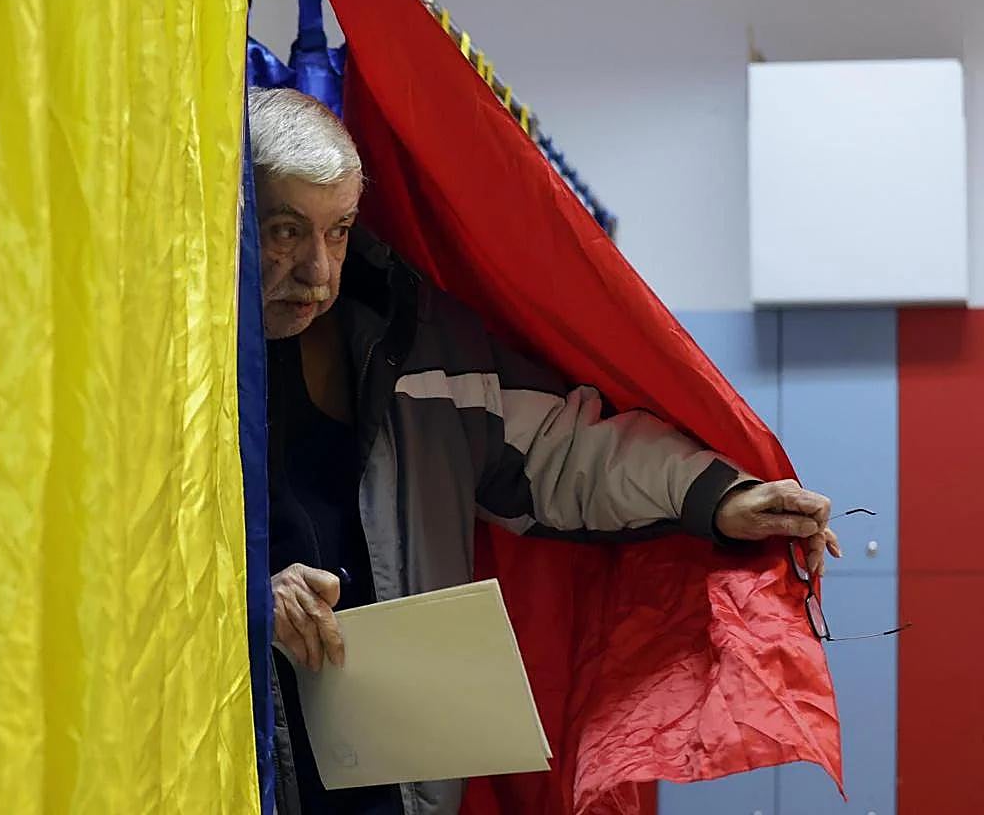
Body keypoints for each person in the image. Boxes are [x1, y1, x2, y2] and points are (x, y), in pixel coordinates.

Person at [249, 87, 841, 815]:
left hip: (391, 781)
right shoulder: (170, 369)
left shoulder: (410, 341)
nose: (318, 271)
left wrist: (723, 498)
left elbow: (562, 449)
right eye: (284, 231)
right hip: (233, 768)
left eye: (338, 231)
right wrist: (246, 594)